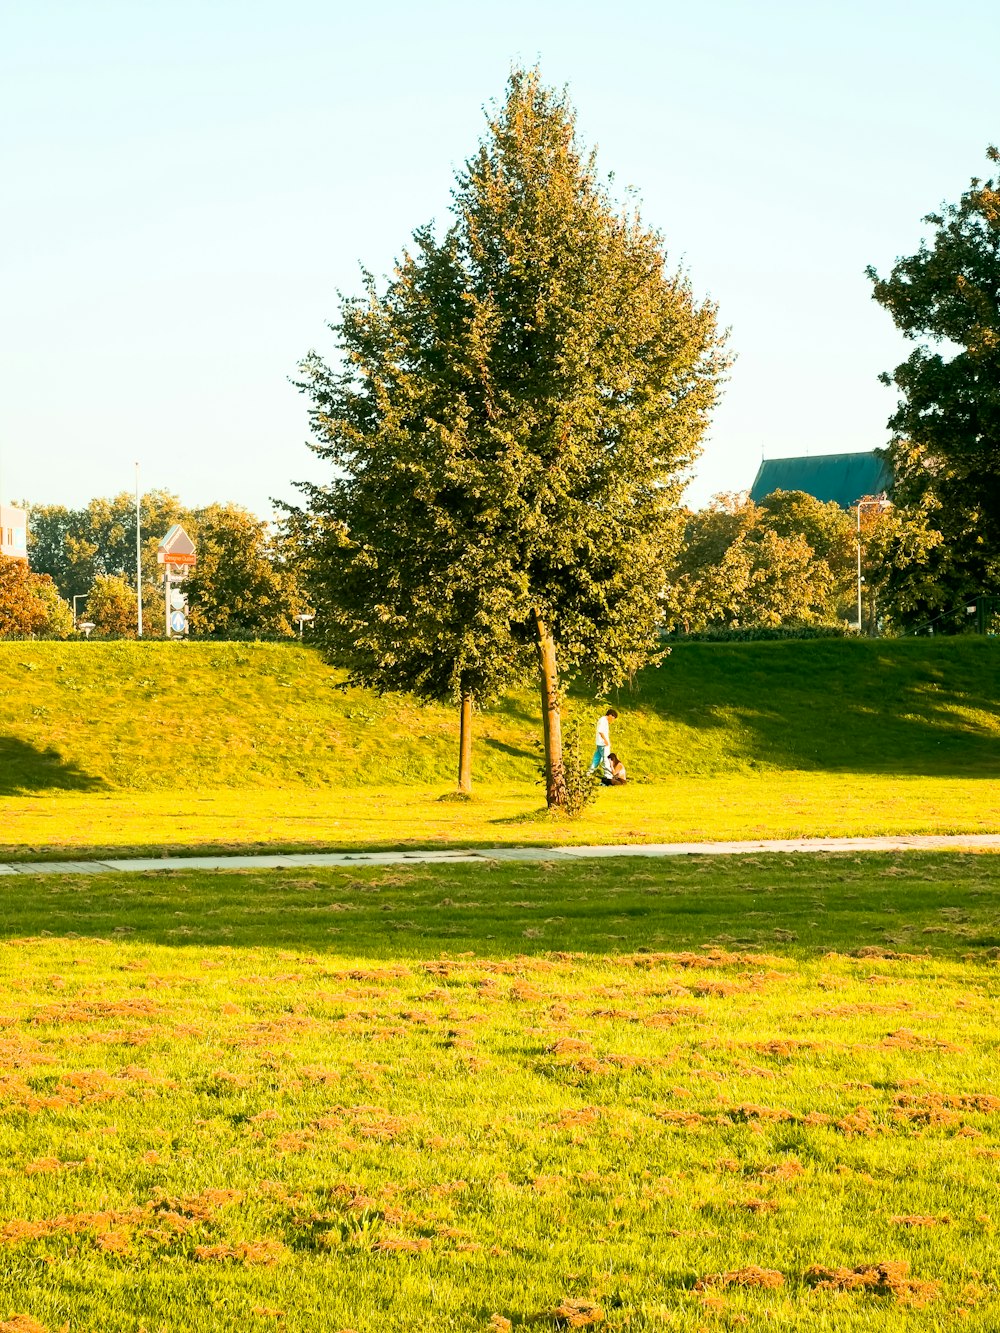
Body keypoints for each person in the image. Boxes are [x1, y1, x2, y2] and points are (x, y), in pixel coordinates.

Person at [588, 707, 618, 780]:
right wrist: (605, 740)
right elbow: (601, 731)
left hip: (599, 743)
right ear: (610, 715)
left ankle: (588, 773)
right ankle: (608, 776)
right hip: (603, 744)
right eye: (613, 718)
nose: (613, 720)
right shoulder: (603, 720)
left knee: (596, 759)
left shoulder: (603, 720)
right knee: (606, 759)